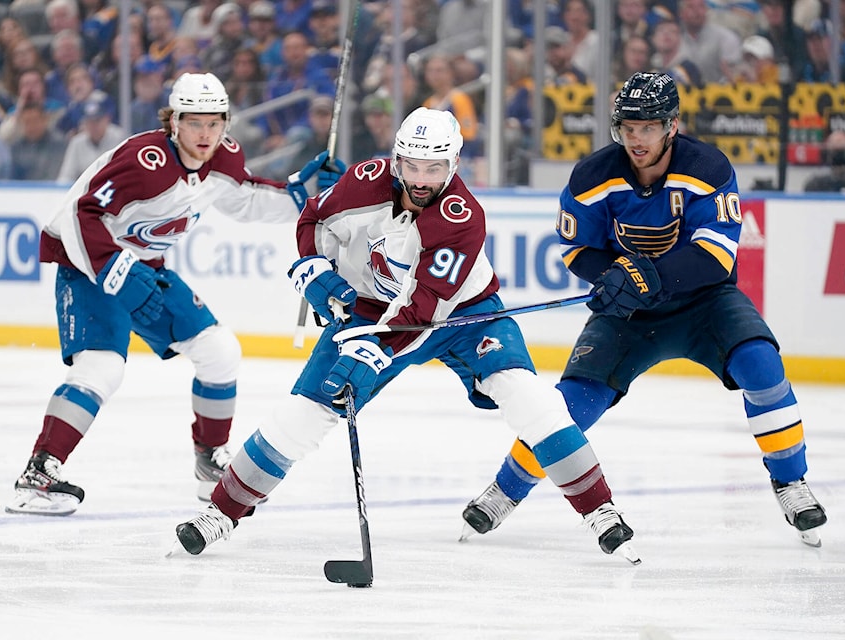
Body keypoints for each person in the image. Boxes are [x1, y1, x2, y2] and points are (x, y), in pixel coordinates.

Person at [173, 107, 640, 566]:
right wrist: (314, 267)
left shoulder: (462, 217)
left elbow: (423, 311)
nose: (420, 179)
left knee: (529, 397)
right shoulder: (363, 180)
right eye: (411, 165)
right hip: (368, 311)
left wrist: (373, 349)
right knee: (307, 410)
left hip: (463, 314)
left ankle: (599, 509)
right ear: (396, 160)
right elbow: (314, 219)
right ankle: (221, 512)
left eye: (434, 168)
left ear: (453, 165)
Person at [460, 72, 829, 550]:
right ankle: (503, 492)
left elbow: (716, 255)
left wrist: (644, 276)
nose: (636, 139)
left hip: (706, 302)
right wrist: (613, 275)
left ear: (672, 126)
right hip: (629, 314)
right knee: (569, 405)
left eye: (648, 127)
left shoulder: (708, 168)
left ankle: (791, 482)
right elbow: (576, 248)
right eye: (627, 128)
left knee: (761, 365)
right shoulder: (593, 176)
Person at [5, 72, 342, 517]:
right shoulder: (142, 162)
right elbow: (82, 215)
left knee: (219, 351)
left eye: (215, 123)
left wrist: (307, 194)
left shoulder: (222, 157)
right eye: (195, 123)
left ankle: (208, 465)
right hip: (89, 266)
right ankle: (39, 473)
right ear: (173, 122)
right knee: (102, 367)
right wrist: (116, 270)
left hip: (145, 267)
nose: (205, 134)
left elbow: (245, 198)